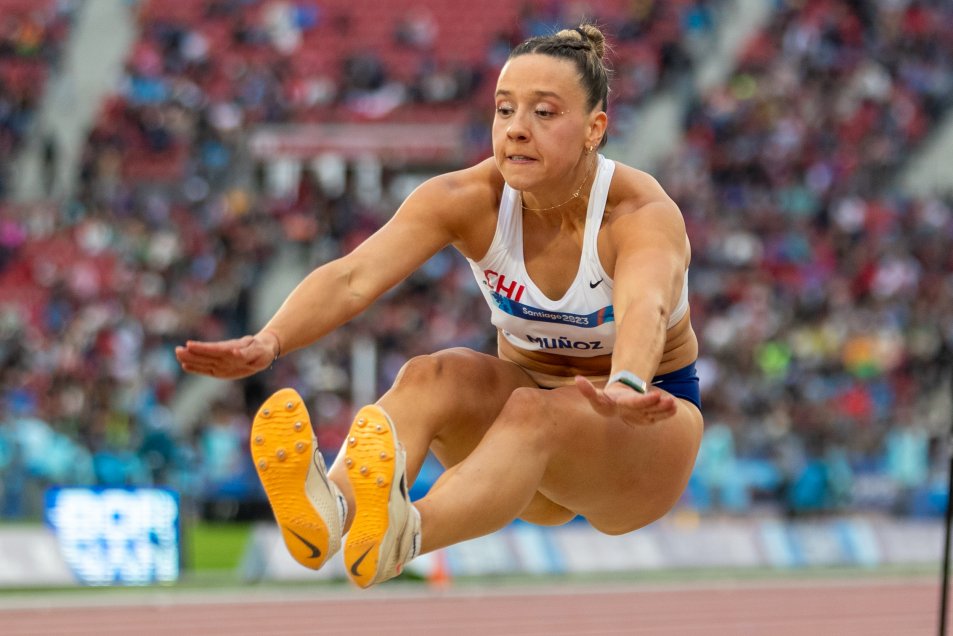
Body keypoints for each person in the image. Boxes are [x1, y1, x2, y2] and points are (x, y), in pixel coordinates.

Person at [175, 24, 703, 589]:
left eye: (544, 114)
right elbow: (354, 276)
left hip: (639, 434)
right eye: (504, 111)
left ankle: (407, 532)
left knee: (533, 410)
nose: (517, 130)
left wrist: (626, 381)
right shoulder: (466, 200)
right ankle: (335, 510)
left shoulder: (637, 214)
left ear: (595, 128)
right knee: (433, 373)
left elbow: (646, 304)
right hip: (522, 450)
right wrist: (269, 340)